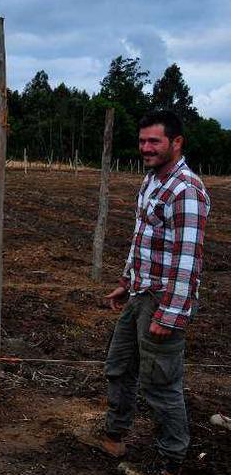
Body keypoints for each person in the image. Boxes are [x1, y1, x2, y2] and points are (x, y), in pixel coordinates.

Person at [99, 110, 210, 475]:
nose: (145, 148)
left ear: (176, 143)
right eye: (143, 141)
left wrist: (170, 314)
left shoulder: (185, 190)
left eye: (154, 142)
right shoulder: (152, 180)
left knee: (160, 384)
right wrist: (127, 281)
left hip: (163, 300)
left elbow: (186, 259)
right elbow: (143, 238)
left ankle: (171, 459)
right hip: (140, 293)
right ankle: (114, 435)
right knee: (119, 366)